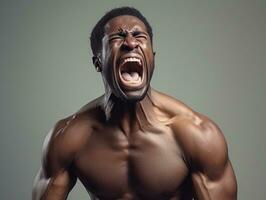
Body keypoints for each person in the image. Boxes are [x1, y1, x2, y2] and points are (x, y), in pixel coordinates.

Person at [32, 7, 237, 200]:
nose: (130, 43)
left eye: (139, 36)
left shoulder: (197, 135)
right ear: (98, 62)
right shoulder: (69, 137)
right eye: (117, 37)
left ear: (152, 58)